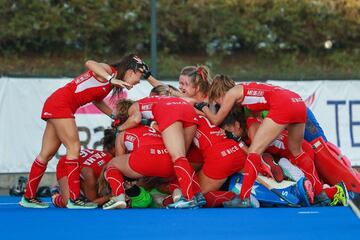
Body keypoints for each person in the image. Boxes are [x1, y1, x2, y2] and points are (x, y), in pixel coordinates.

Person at [198, 75, 348, 207]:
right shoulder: (247, 93)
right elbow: (255, 123)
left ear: (220, 94)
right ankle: (320, 193)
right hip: (297, 101)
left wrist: (203, 108)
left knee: (255, 151)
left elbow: (217, 120)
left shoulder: (231, 93)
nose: (220, 105)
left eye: (217, 102)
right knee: (297, 151)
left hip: (283, 104)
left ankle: (244, 198)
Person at [20, 54, 145, 209]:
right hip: (62, 105)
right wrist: (110, 78)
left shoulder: (109, 82)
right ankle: (74, 199)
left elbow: (96, 99)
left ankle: (28, 197)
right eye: (139, 77)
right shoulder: (109, 72)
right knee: (74, 148)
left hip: (57, 103)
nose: (138, 81)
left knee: (46, 154)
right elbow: (89, 62)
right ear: (130, 72)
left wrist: (113, 115)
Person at [51, 129, 116, 207]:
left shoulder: (106, 158)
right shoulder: (110, 162)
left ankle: (77, 193)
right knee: (68, 203)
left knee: (83, 199)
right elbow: (92, 203)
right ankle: (55, 195)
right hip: (67, 165)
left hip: (75, 165)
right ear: (113, 149)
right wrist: (114, 195)